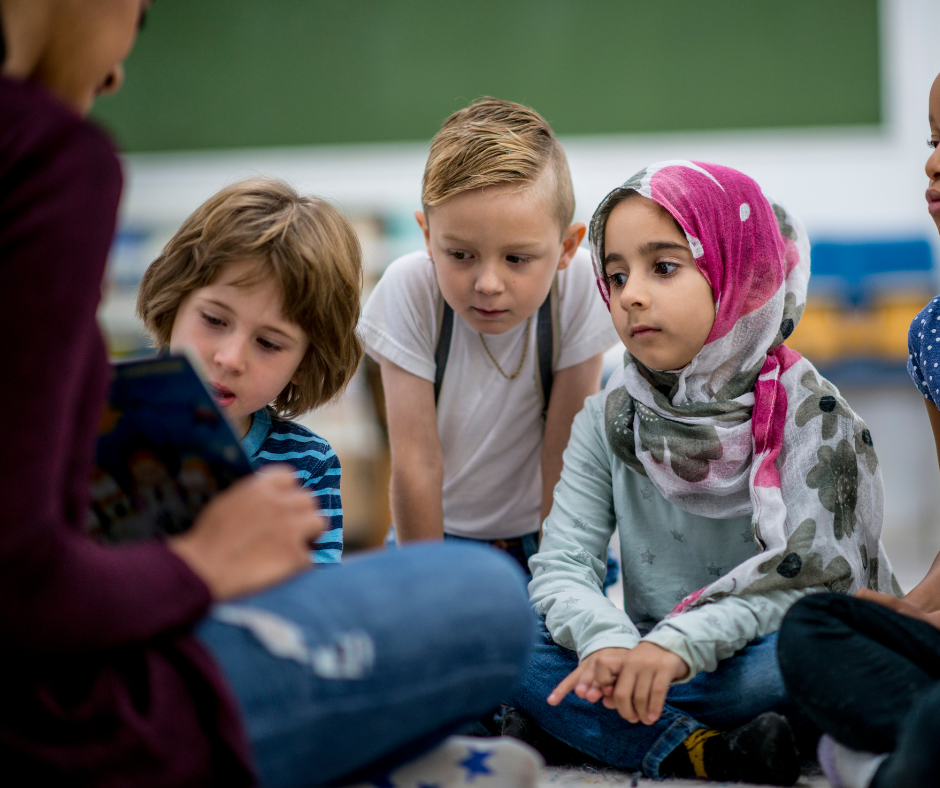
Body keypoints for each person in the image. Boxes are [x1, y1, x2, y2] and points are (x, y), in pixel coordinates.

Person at [0, 2, 537, 786]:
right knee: (486, 601)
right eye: (142, 17)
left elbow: (313, 589)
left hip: (134, 628)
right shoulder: (45, 159)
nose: (117, 68)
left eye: (269, 344)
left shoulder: (302, 458)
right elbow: (29, 583)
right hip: (81, 701)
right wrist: (198, 566)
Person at [501, 160, 897, 784]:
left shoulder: (811, 410)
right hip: (647, 653)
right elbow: (562, 566)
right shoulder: (608, 418)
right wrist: (610, 645)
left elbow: (821, 572)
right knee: (508, 642)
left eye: (664, 266)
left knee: (814, 651)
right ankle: (713, 749)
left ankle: (590, 726)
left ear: (739, 271)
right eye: (616, 274)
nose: (630, 294)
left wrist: (680, 646)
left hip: (756, 651)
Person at [359, 98, 619, 577]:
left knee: (553, 652)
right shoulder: (410, 290)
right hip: (433, 538)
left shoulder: (579, 287)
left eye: (517, 259)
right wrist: (430, 586)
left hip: (548, 536)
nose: (488, 284)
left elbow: (562, 453)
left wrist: (556, 581)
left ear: (566, 247)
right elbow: (416, 463)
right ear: (426, 235)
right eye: (460, 255)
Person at [777, 70, 940, 788]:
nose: (931, 161)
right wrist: (910, 610)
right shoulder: (935, 336)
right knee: (813, 629)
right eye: (933, 139)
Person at [136, 177, 361, 564]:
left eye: (268, 343)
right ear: (173, 304)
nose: (230, 359)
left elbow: (315, 602)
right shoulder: (103, 425)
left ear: (304, 365)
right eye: (213, 320)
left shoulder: (307, 463)